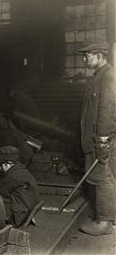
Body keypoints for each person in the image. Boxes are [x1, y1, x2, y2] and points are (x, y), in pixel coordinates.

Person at [78, 40, 116, 236]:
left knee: (103, 178)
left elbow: (108, 111)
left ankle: (105, 222)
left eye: (88, 55)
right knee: (103, 177)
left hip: (101, 140)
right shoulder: (98, 76)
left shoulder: (108, 76)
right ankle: (109, 218)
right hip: (95, 139)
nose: (84, 59)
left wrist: (102, 139)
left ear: (100, 55)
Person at [0, 146, 40, 227]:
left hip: (18, 215)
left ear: (7, 164)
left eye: (0, 165)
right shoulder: (22, 170)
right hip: (27, 208)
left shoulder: (11, 176)